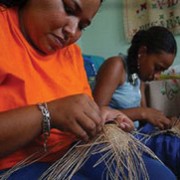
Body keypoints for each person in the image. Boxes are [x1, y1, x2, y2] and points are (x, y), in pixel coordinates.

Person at [0, 0, 175, 178]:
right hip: (16, 164)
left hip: (75, 149)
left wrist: (103, 117)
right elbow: (61, 110)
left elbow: (84, 110)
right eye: (68, 10)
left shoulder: (71, 54)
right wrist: (49, 114)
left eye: (82, 26)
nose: (72, 31)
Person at [93, 26, 180, 178]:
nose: (158, 76)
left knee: (173, 140)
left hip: (138, 134)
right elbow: (95, 114)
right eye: (157, 68)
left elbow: (144, 117)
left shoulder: (139, 76)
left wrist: (165, 123)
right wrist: (143, 113)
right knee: (173, 149)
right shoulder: (116, 66)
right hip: (115, 139)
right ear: (142, 52)